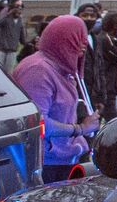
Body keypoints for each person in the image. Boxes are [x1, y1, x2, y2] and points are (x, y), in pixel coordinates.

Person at [11, 15, 101, 183]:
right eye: (76, 38)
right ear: (59, 39)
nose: (83, 45)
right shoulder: (38, 70)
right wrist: (80, 128)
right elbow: (37, 123)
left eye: (83, 38)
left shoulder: (61, 69)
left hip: (64, 158)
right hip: (46, 163)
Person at [94, 12, 117, 120]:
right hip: (105, 86)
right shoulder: (105, 39)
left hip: (110, 85)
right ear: (114, 24)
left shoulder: (112, 38)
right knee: (112, 120)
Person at [0, 0, 26, 73]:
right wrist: (9, 14)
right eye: (17, 5)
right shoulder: (6, 14)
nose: (19, 8)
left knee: (8, 73)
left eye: (21, 6)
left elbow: (22, 37)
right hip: (2, 48)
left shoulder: (20, 20)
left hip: (13, 49)